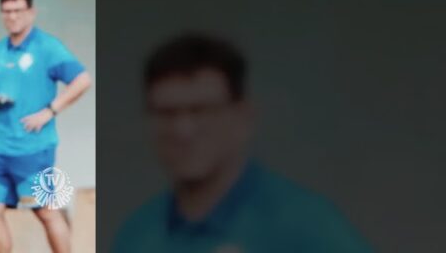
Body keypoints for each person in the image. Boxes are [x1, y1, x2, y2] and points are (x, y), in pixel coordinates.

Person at [111, 32, 373, 253]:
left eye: (201, 111)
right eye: (167, 113)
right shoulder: (137, 236)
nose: (183, 130)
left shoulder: (306, 225)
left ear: (243, 118)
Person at [0, 0, 92, 253]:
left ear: (31, 12)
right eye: (7, 12)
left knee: (47, 211)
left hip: (35, 147)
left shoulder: (48, 47)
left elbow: (83, 80)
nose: (12, 17)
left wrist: (50, 111)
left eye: (18, 11)